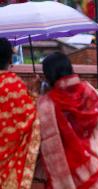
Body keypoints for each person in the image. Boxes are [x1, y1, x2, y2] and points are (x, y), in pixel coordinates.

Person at [37, 52, 98, 189]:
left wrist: (37, 95)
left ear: (49, 75)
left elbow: (37, 135)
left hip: (61, 173)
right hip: (91, 167)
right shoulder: (90, 92)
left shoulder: (46, 103)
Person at [0, 38, 40, 188]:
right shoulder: (14, 84)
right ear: (10, 58)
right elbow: (30, 117)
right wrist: (34, 93)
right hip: (9, 165)